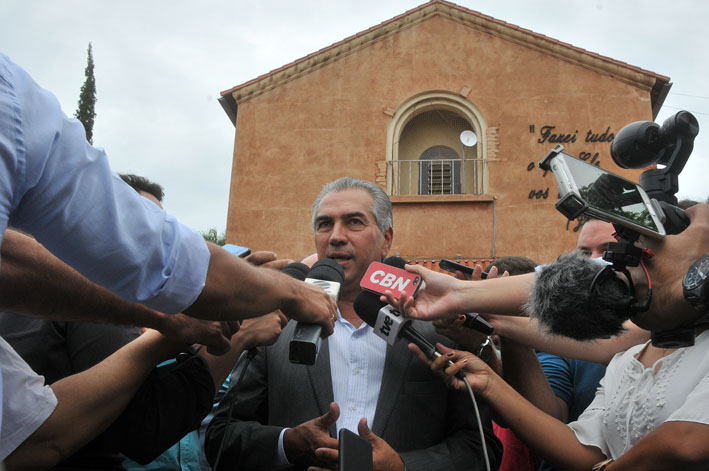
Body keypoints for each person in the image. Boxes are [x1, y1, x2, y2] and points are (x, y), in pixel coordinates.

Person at [204, 177, 501, 471]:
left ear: (386, 239)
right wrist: (287, 444)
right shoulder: (275, 326)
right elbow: (221, 436)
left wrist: (402, 467)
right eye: (324, 224)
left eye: (354, 222)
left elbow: (479, 448)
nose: (336, 236)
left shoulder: (439, 329)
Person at [403, 204, 709, 468]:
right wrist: (489, 381)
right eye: (585, 255)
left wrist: (472, 299)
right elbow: (582, 448)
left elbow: (684, 443)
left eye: (615, 254)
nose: (609, 268)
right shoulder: (625, 362)